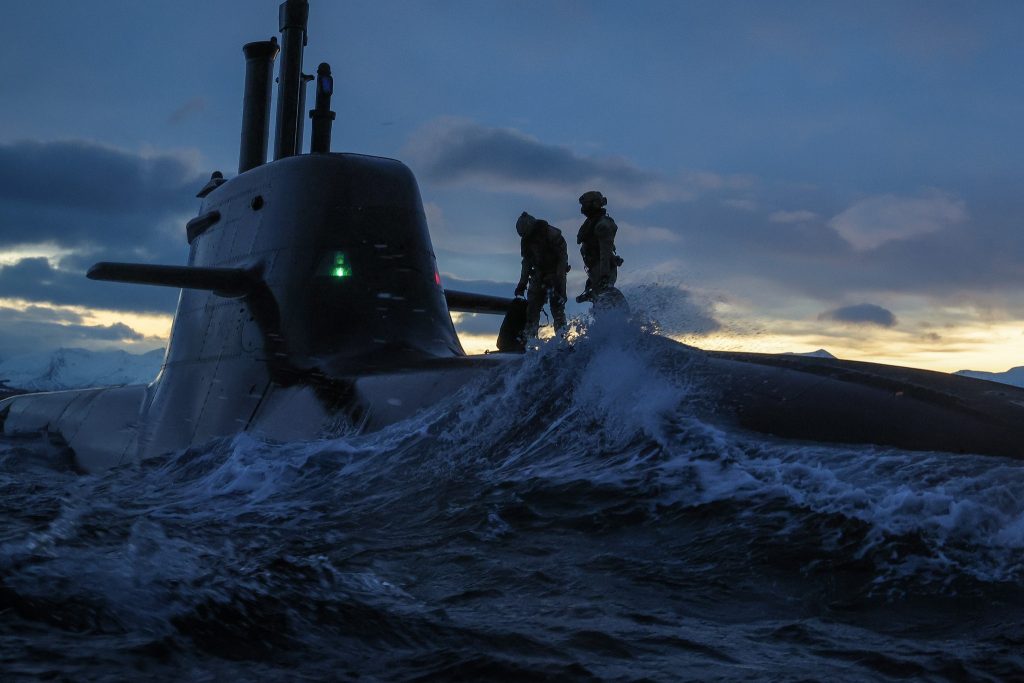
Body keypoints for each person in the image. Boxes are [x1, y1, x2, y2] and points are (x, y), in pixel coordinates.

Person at [514, 211, 568, 338]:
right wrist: (522, 283)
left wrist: (558, 279)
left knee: (557, 310)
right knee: (532, 309)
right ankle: (529, 342)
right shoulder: (526, 240)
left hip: (555, 274)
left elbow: (562, 258)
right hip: (538, 275)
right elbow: (526, 262)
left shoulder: (552, 234)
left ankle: (563, 341)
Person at [575, 190, 623, 304]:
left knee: (605, 301)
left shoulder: (602, 225)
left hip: (603, 269)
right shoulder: (591, 223)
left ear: (594, 204)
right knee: (599, 303)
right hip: (596, 270)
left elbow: (605, 253)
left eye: (585, 205)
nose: (583, 209)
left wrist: (604, 277)